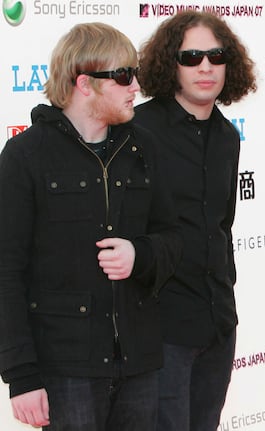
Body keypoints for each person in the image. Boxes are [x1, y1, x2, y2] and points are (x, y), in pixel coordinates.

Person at [0, 22, 182, 430]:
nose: (135, 86)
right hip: (65, 372)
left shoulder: (143, 148)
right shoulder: (26, 156)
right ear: (84, 83)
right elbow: (5, 271)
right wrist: (21, 376)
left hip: (140, 364)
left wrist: (141, 254)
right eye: (123, 76)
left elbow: (173, 237)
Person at [134, 10, 256, 431]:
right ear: (171, 64)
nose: (205, 66)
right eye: (191, 57)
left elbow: (223, 225)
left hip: (218, 323)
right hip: (161, 328)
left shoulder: (227, 136)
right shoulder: (139, 130)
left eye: (215, 55)